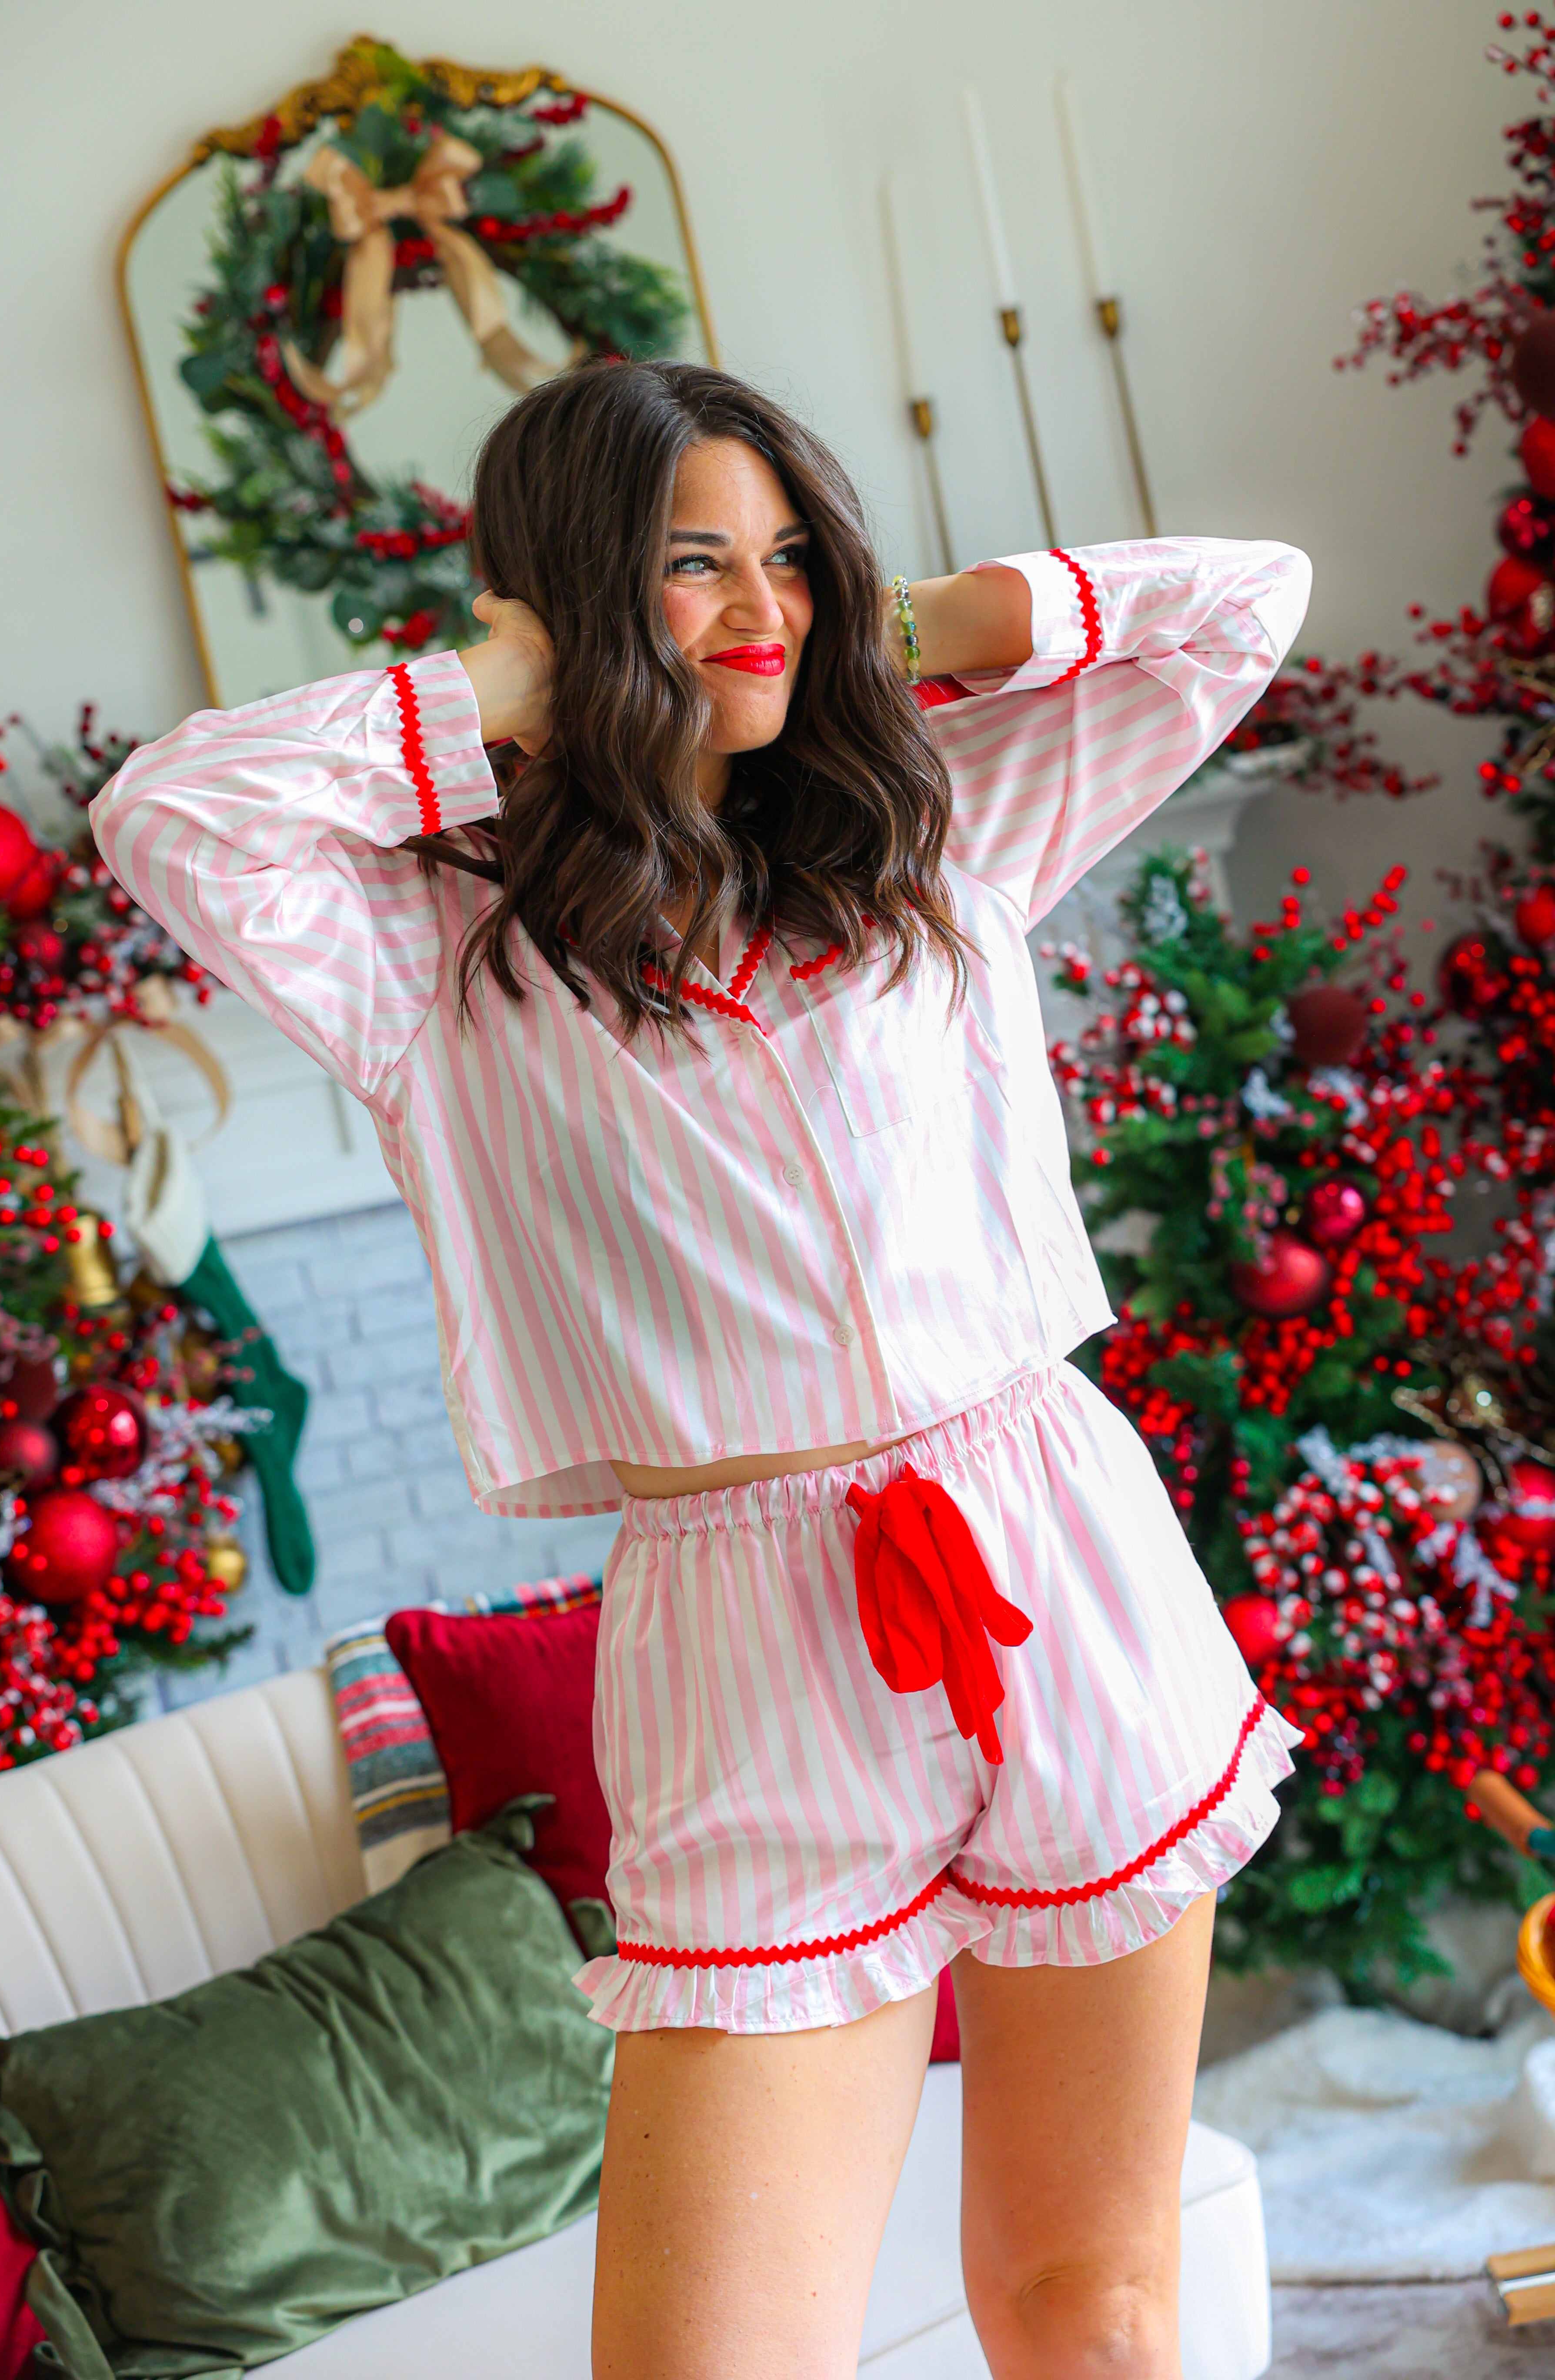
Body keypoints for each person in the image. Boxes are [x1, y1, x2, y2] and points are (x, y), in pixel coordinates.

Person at [94, 358, 1307, 2380]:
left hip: (1054, 1552)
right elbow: (169, 809)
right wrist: (518, 676)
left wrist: (892, 614)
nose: (763, 610)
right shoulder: (431, 949)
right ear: (572, 599)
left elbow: (1244, 602)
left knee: (1092, 2308)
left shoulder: (933, 823)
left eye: (789, 555)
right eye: (691, 564)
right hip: (747, 1648)